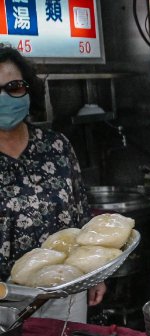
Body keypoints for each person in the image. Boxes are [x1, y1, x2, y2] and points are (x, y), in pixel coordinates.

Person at [0, 48, 106, 321]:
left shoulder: (56, 146)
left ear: (29, 90)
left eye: (13, 87)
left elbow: (81, 213)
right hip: (3, 300)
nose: (4, 97)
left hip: (62, 288)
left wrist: (92, 274)